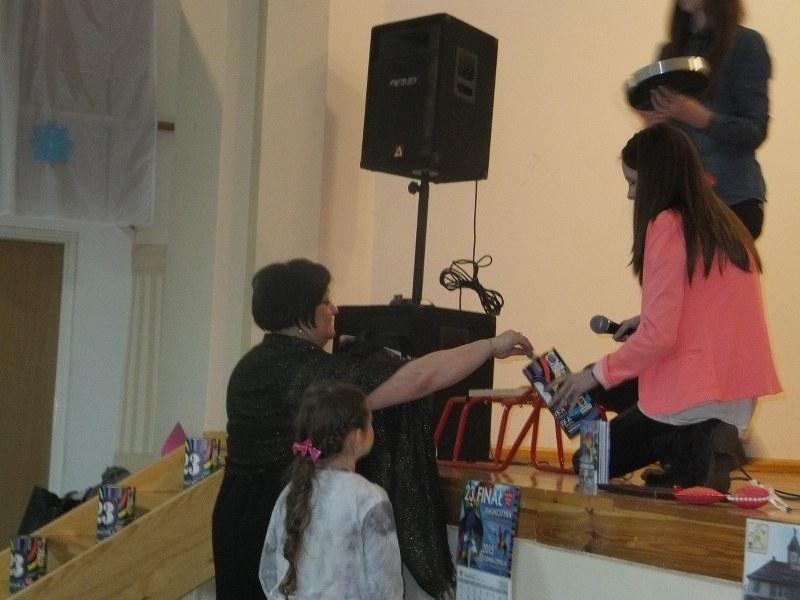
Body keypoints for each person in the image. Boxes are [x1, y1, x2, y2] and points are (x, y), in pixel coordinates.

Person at [212, 258, 533, 599]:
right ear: (301, 312)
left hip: (235, 513)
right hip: (282, 517)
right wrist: (490, 346)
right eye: (325, 301)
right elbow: (419, 379)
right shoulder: (306, 373)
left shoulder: (249, 365)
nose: (334, 309)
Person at [553, 124, 780, 492]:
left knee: (588, 460)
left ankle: (691, 444)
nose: (631, 195)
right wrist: (641, 322)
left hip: (692, 396)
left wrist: (595, 373)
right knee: (601, 385)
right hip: (733, 397)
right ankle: (691, 450)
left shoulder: (666, 224)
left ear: (656, 179)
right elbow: (708, 309)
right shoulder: (725, 224)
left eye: (633, 183)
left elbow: (659, 336)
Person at [259, 381, 403, 600]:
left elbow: (269, 574)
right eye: (370, 422)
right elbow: (388, 591)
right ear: (357, 436)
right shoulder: (370, 498)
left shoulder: (291, 491)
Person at [640, 0, 771, 238]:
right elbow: (668, 144)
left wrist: (698, 116)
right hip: (680, 201)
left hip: (732, 198)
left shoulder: (745, 44)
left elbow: (754, 130)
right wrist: (654, 125)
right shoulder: (669, 52)